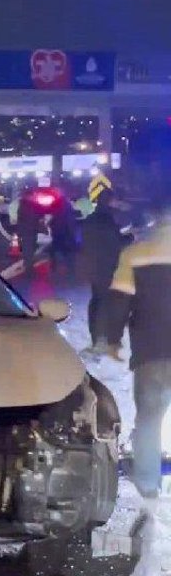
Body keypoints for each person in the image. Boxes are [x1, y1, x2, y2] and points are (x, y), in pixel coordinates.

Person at [103, 203, 171, 500]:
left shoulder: (134, 254)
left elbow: (119, 301)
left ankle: (147, 482)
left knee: (149, 417)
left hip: (150, 350)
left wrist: (112, 339)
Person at [81, 190, 133, 354]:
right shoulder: (107, 221)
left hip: (92, 267)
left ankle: (96, 337)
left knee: (96, 301)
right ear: (110, 201)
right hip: (106, 267)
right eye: (115, 200)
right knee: (104, 303)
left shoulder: (90, 219)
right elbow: (115, 244)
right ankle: (100, 340)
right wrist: (131, 237)